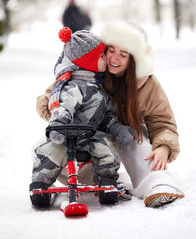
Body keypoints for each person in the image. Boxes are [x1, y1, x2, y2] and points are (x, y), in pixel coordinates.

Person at [36, 20, 184, 208]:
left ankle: (156, 183)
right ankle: (60, 184)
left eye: (123, 54)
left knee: (137, 138)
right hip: (88, 142)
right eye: (111, 50)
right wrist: (72, 119)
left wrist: (164, 146)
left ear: (134, 59)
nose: (114, 58)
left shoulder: (147, 84)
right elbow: (47, 101)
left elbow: (163, 122)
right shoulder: (88, 72)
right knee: (41, 147)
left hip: (124, 139)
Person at [30, 27, 134, 208]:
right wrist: (58, 125)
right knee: (51, 153)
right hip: (65, 135)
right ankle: (40, 185)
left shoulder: (100, 90)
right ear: (89, 62)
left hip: (90, 135)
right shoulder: (73, 87)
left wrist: (117, 128)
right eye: (101, 56)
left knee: (107, 149)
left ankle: (107, 181)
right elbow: (64, 108)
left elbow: (106, 116)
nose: (106, 60)